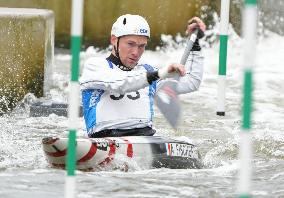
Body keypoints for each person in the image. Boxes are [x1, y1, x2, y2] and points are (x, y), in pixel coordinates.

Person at [80, 14, 206, 138]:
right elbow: (120, 84)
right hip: (104, 139)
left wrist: (195, 45)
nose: (136, 52)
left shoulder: (148, 70)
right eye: (130, 44)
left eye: (142, 46)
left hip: (146, 137)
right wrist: (160, 73)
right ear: (114, 40)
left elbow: (191, 82)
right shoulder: (95, 66)